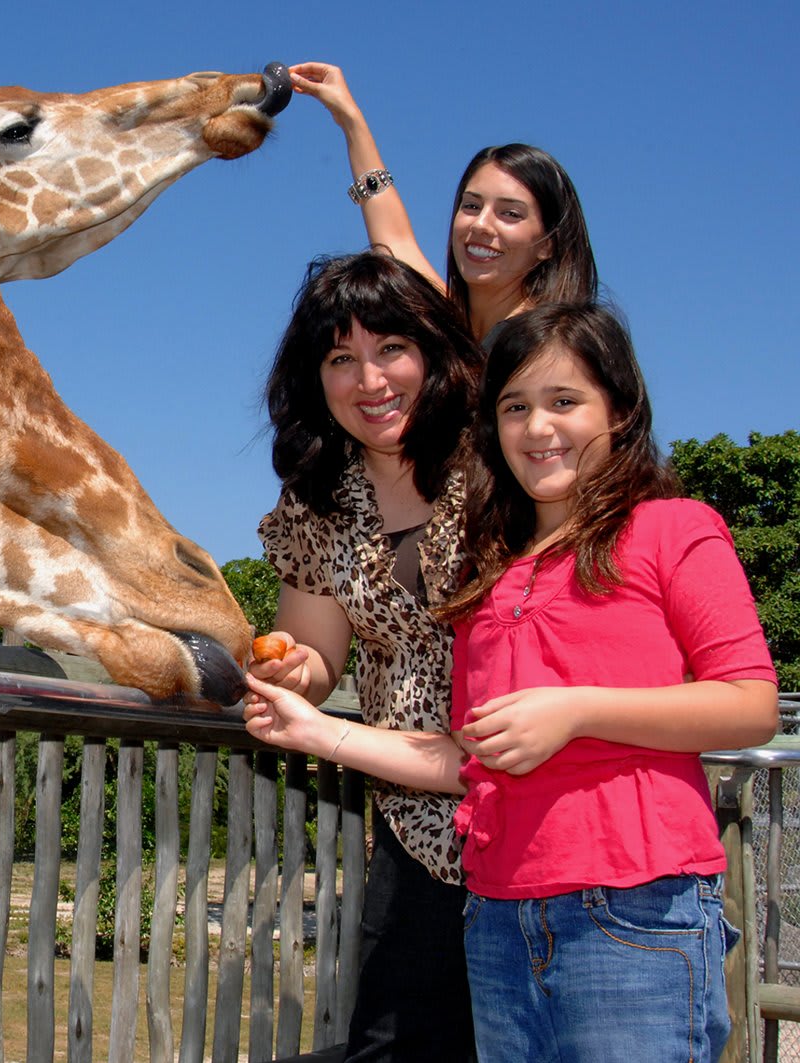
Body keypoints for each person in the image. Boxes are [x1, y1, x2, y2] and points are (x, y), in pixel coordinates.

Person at [245, 303, 779, 1062]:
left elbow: (751, 702)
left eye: (565, 402)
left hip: (633, 909)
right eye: (515, 408)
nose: (538, 428)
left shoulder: (673, 527)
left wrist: (578, 711)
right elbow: (467, 758)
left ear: (620, 411)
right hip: (498, 916)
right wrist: (312, 728)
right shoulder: (490, 582)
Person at [254, 250, 484, 1060]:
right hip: (417, 820)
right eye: (340, 357)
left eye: (390, 348)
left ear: (432, 353)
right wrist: (291, 670)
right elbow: (318, 653)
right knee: (393, 1043)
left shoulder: (501, 458)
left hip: (536, 811)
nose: (370, 378)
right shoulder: (319, 498)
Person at [289, 62, 597, 344]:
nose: (481, 224)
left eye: (510, 213)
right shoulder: (456, 330)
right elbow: (396, 241)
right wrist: (349, 119)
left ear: (548, 244)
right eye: (472, 206)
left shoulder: (552, 344)